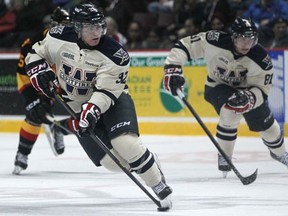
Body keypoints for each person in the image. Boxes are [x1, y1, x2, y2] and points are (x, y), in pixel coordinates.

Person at [24, 3, 173, 205]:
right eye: (90, 28)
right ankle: (147, 161)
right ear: (77, 28)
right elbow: (36, 52)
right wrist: (38, 69)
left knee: (125, 143)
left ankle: (157, 183)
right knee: (112, 162)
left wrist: (92, 110)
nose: (97, 32)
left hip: (113, 99)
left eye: (99, 27)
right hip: (76, 105)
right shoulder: (58, 36)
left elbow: (107, 91)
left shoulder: (115, 54)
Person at [163, 16, 288, 177]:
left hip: (249, 91)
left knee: (269, 128)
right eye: (242, 39)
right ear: (233, 37)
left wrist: (250, 98)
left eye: (250, 39)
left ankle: (279, 153)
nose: (246, 44)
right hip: (217, 87)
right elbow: (184, 46)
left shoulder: (260, 59)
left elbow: (262, 89)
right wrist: (173, 68)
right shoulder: (214, 40)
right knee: (230, 110)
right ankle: (225, 156)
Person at [13, 7, 71, 175]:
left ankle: (59, 128)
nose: (66, 30)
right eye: (62, 25)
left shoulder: (76, 42)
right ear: (53, 25)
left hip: (65, 82)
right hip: (34, 82)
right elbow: (24, 74)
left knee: (85, 114)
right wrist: (32, 99)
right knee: (36, 112)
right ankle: (22, 154)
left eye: (69, 26)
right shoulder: (32, 43)